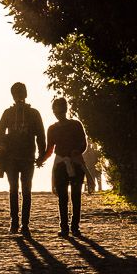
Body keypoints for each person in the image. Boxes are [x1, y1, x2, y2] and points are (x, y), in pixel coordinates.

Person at [0, 82, 46, 236]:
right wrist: (41, 155)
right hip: (21, 156)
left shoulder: (10, 113)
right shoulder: (32, 113)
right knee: (23, 190)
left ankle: (18, 224)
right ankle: (21, 224)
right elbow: (41, 136)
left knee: (18, 190)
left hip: (20, 157)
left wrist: (41, 155)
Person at [38, 98, 88, 238]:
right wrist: (41, 159)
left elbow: (83, 143)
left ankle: (75, 227)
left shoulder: (76, 125)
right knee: (63, 197)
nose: (57, 112)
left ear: (65, 110)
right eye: (55, 109)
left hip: (76, 164)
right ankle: (65, 227)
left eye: (59, 109)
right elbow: (50, 149)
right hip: (60, 165)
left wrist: (76, 151)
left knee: (76, 196)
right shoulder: (52, 129)